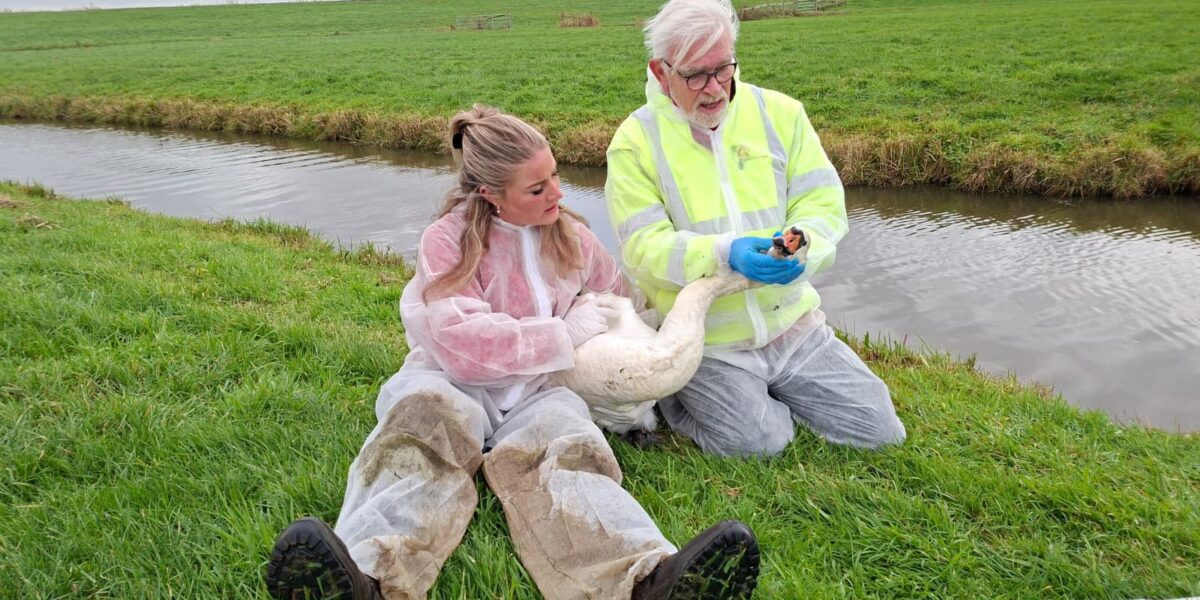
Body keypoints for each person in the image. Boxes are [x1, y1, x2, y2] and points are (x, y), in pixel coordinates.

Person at [263, 105, 761, 600]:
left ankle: (643, 581)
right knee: (416, 441)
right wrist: (562, 333)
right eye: (537, 189)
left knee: (570, 457)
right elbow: (463, 343)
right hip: (449, 381)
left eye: (555, 176)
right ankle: (366, 577)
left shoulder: (573, 237)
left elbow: (624, 299)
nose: (557, 194)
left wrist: (632, 343)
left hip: (541, 388)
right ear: (489, 193)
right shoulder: (447, 241)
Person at [604, 0, 906, 457]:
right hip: (707, 342)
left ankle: (768, 395)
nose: (714, 89)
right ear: (661, 73)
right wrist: (724, 252)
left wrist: (803, 243)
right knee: (760, 443)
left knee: (880, 430)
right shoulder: (634, 142)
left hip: (792, 325)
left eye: (723, 69)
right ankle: (683, 398)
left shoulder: (781, 113)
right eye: (695, 75)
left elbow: (823, 203)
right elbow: (642, 246)